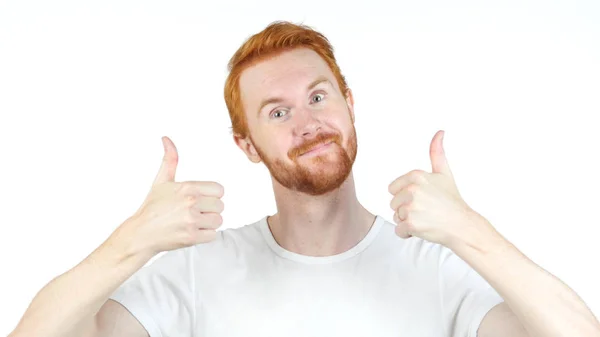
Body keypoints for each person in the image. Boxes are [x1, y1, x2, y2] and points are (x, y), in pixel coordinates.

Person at [9, 21, 600, 337]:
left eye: (319, 96)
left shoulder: (439, 268)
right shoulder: (195, 271)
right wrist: (131, 241)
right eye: (277, 111)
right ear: (246, 145)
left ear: (348, 102)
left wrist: (472, 232)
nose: (309, 122)